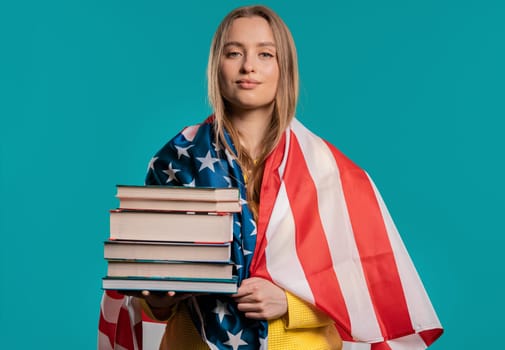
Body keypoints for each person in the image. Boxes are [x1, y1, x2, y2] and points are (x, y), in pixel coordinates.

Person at [99, 5, 443, 350]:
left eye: (265, 54)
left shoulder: (331, 172)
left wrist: (290, 304)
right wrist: (158, 300)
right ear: (216, 65)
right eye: (234, 53)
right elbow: (149, 292)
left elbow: (368, 286)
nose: (248, 66)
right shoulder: (176, 159)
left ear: (284, 68)